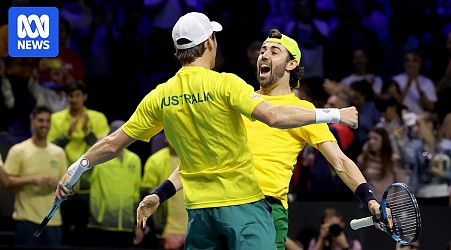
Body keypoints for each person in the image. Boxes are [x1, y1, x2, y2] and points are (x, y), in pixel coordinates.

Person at [56, 12, 359, 250]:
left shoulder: (160, 95)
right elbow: (273, 116)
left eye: (273, 51)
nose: (264, 55)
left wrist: (76, 168)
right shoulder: (226, 85)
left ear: (178, 48)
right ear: (211, 42)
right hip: (245, 208)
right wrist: (335, 114)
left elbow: (112, 143)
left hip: (201, 214)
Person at [242, 29, 380, 249]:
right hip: (225, 202)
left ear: (291, 64)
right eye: (262, 51)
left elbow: (340, 161)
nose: (264, 55)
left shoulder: (304, 111)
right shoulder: (241, 98)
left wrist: (370, 199)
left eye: (274, 51)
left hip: (266, 206)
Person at [48, 81, 109, 246]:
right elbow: (50, 148)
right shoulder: (56, 118)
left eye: (77, 95)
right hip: (64, 183)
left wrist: (88, 133)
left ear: (84, 97)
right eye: (70, 96)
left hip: (89, 183)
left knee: (84, 232)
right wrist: (67, 135)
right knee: (64, 229)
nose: (74, 99)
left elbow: (104, 148)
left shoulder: (98, 118)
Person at [3, 106, 67, 247]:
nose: (44, 124)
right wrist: (32, 179)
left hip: (54, 222)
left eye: (47, 121)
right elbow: (5, 183)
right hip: (27, 220)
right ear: (32, 122)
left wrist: (57, 183)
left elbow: (70, 186)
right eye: (40, 120)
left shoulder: (59, 152)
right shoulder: (19, 150)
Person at [86, 120, 144, 248]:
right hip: (101, 225)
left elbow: (135, 196)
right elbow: (84, 178)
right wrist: (96, 148)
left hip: (126, 226)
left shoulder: (134, 160)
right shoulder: (99, 157)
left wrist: (137, 226)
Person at [140, 135, 187, 250]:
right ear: (166, 139)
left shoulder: (194, 159)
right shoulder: (155, 161)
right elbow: (146, 194)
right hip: (167, 230)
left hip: (194, 229)